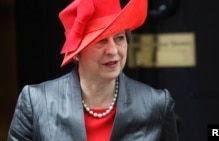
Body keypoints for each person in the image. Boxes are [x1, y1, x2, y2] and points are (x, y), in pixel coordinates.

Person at [8, 0, 178, 140]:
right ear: (76, 53)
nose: (112, 50)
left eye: (119, 38)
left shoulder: (156, 104)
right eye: (100, 41)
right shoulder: (36, 102)